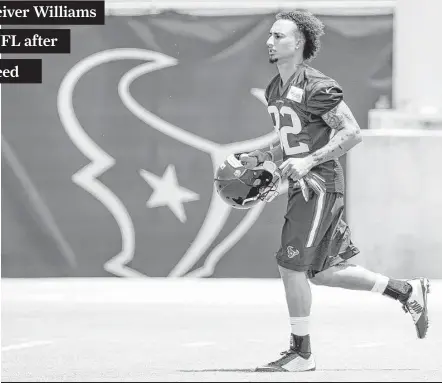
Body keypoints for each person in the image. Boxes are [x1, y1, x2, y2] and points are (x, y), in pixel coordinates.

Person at [238, 10, 430, 372]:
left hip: (318, 184)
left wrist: (309, 162)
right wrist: (265, 156)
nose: (270, 41)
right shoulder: (274, 87)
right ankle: (406, 291)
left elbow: (351, 133)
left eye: (279, 36)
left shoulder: (317, 86)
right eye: (271, 35)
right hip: (303, 183)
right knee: (324, 272)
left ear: (299, 43)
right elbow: (290, 140)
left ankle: (302, 353)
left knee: (290, 265)